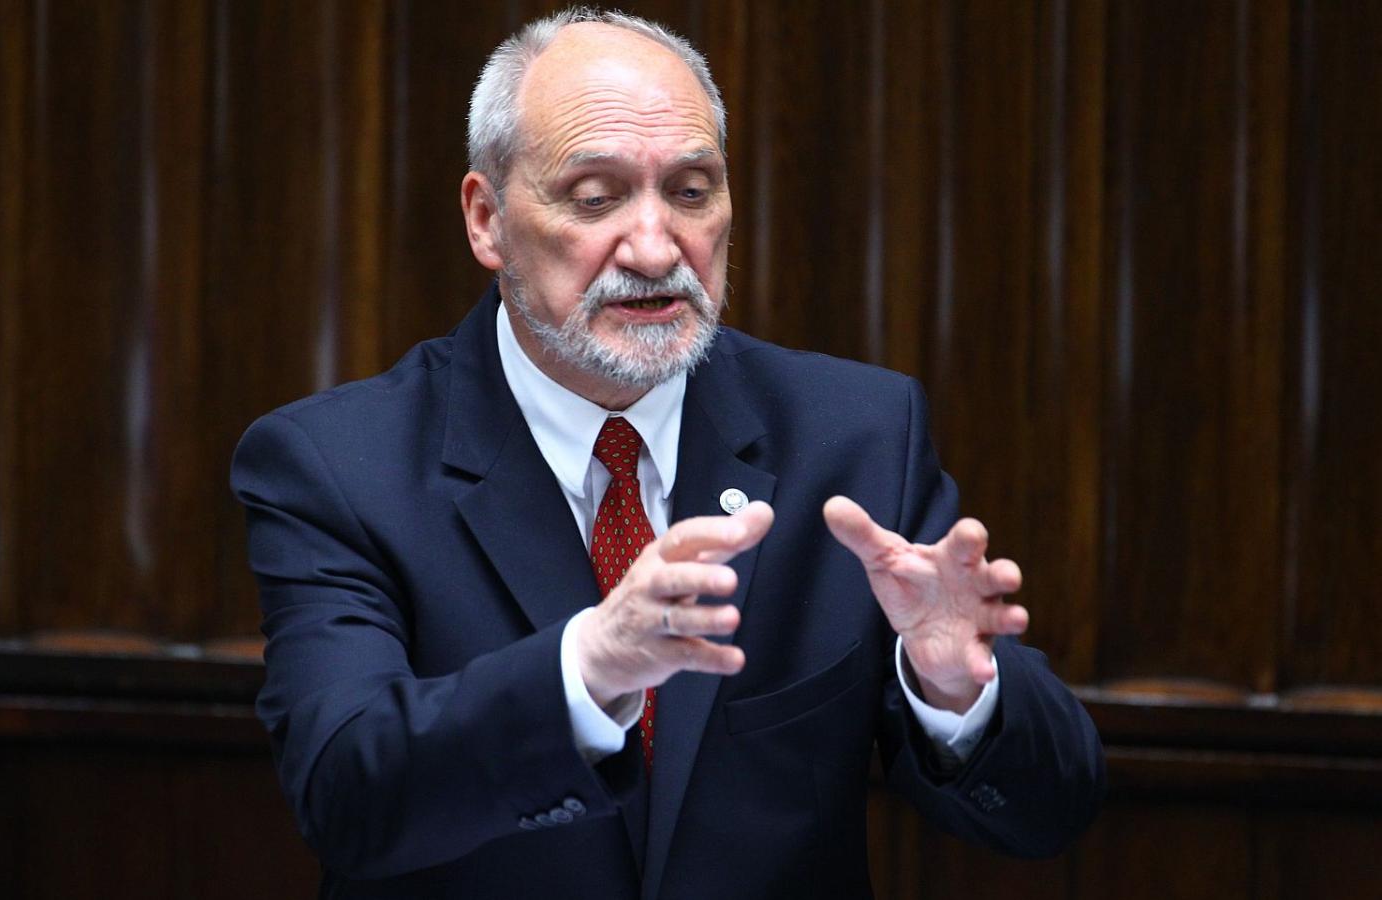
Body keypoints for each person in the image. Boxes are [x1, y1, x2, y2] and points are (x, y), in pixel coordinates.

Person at [231, 9, 1104, 899]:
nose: (654, 250)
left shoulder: (856, 438)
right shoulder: (337, 466)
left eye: (690, 192)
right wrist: (593, 665)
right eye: (595, 198)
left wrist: (955, 689)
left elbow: (1052, 811)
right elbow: (347, 793)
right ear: (487, 219)